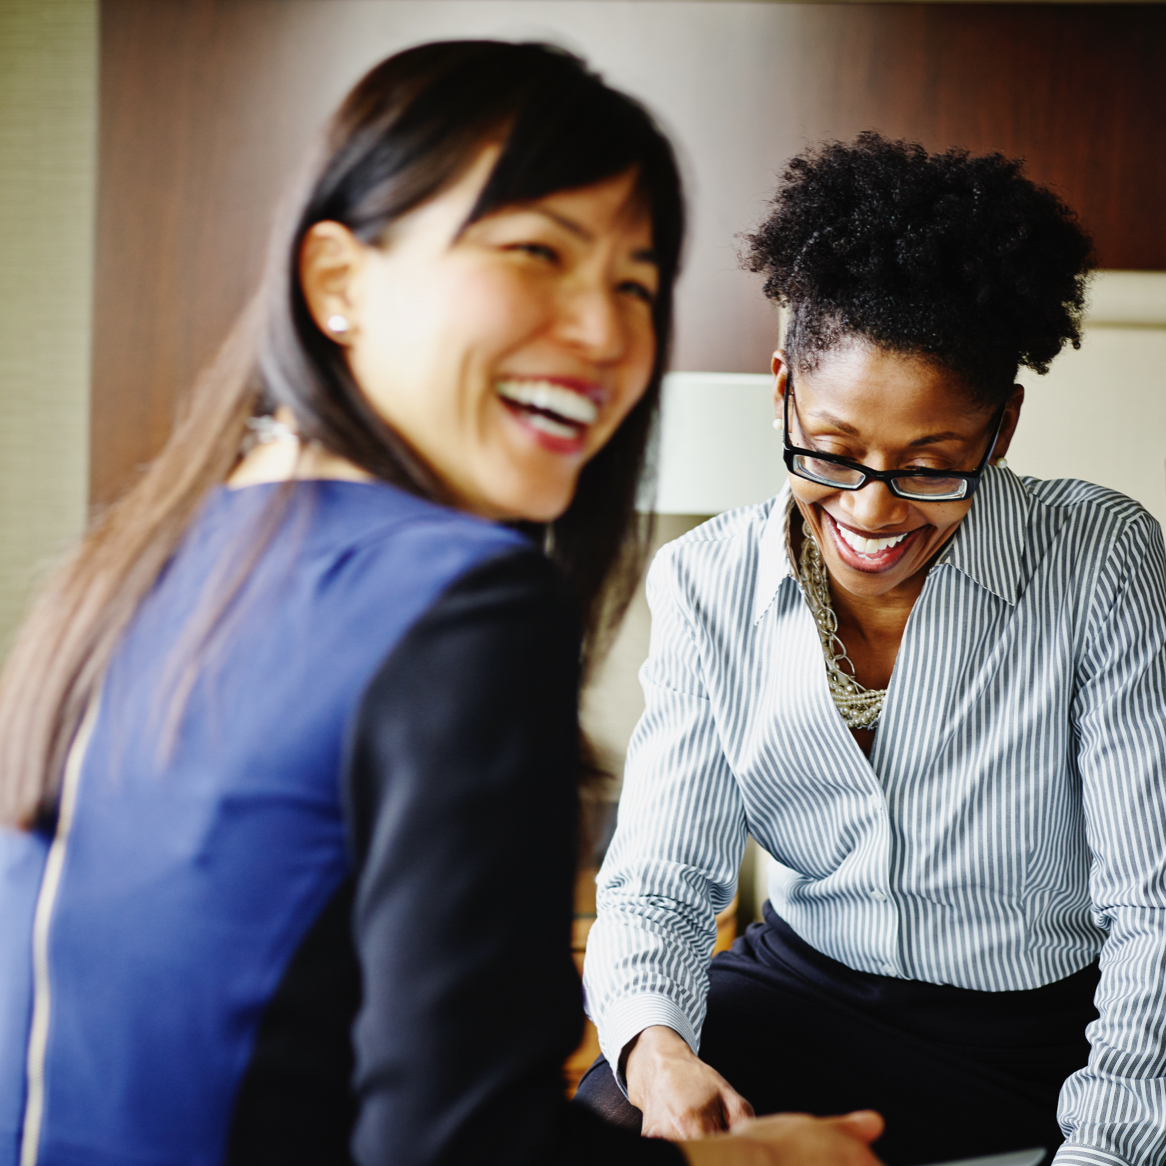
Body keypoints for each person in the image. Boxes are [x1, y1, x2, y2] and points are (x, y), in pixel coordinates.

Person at [0, 42, 885, 1166]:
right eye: (534, 252)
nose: (606, 333)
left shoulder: (147, 553)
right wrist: (756, 1160)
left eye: (633, 282)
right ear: (336, 282)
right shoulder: (462, 608)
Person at [578, 132, 1166, 1166]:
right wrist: (655, 1047)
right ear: (780, 391)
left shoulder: (1100, 560)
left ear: (1001, 429)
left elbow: (1150, 906)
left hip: (1043, 1030)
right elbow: (660, 882)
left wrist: (1106, 1145)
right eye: (833, 451)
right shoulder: (704, 583)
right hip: (805, 990)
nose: (871, 509)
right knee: (607, 1127)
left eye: (931, 465)